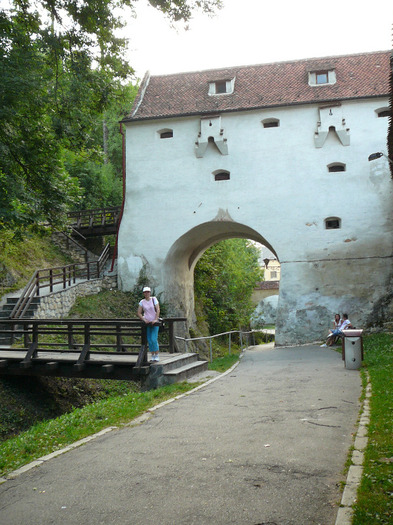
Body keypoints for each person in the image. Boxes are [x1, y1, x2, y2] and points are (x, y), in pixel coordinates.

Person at [137, 286, 160, 362]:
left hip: (154, 322)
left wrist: (156, 319)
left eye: (148, 292)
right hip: (147, 322)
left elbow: (158, 310)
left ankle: (156, 354)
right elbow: (139, 313)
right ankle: (152, 354)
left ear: (150, 293)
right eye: (145, 292)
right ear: (143, 293)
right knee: (149, 340)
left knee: (154, 339)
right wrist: (144, 319)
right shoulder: (142, 302)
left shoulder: (154, 299)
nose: (147, 293)